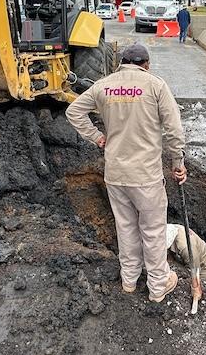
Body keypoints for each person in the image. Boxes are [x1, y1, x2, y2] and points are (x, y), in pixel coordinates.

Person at [66, 44, 187, 303]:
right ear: (146, 64)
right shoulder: (155, 85)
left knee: (126, 228)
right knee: (153, 231)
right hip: (145, 177)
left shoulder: (103, 85)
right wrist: (178, 162)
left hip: (116, 175)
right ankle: (157, 287)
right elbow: (174, 129)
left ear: (121, 62)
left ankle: (129, 280)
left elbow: (73, 111)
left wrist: (97, 137)